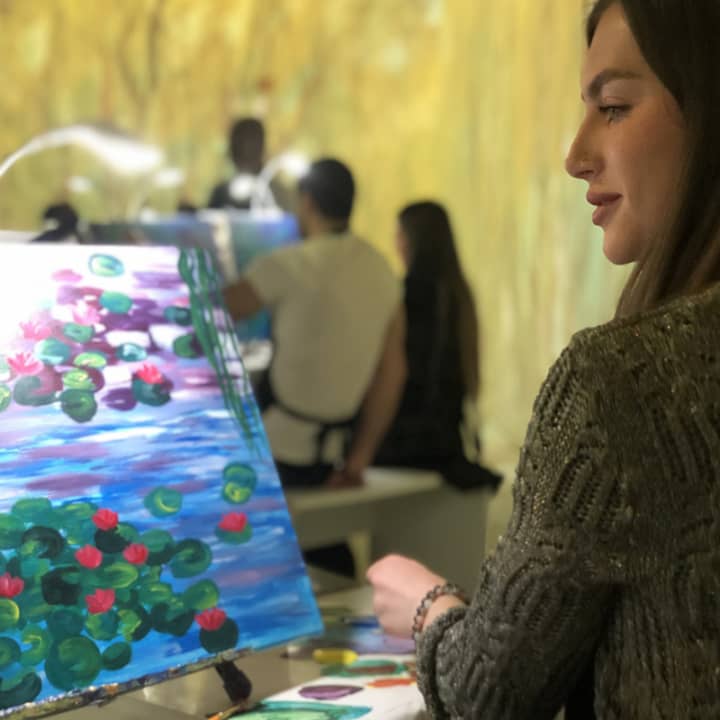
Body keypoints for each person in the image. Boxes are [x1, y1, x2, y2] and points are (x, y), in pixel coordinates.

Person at [367, 1, 720, 717]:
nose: (575, 155)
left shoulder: (621, 379)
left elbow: (490, 693)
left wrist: (429, 605)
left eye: (613, 107)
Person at [223, 158, 406, 491]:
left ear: (306, 203)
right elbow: (392, 374)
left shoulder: (290, 263)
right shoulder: (382, 270)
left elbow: (212, 313)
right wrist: (359, 459)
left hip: (271, 455)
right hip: (332, 458)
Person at [374, 201, 500, 491]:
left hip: (406, 446)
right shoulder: (458, 293)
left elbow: (398, 377)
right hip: (447, 443)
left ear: (411, 240)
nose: (396, 243)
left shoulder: (409, 294)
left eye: (399, 235)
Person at [207, 117, 266, 210]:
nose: (245, 149)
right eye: (239, 144)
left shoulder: (272, 194)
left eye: (252, 144)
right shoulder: (221, 194)